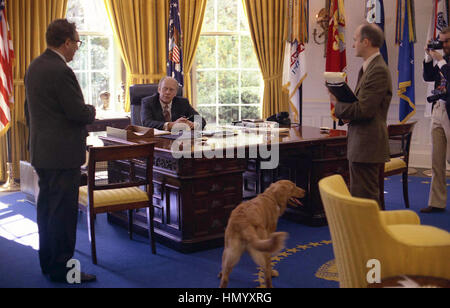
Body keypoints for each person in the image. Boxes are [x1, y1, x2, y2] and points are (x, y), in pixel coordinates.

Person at [25, 19, 97, 283]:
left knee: (47, 212)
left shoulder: (35, 66)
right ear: (66, 42)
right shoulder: (60, 70)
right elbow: (77, 112)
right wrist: (92, 110)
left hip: (43, 152)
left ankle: (49, 264)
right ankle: (66, 271)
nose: (77, 48)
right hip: (62, 156)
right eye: (76, 42)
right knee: (63, 216)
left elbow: (29, 112)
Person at [329, 23, 392, 206]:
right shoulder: (368, 67)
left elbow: (364, 110)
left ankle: (372, 234)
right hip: (362, 143)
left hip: (368, 144)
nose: (353, 44)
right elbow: (362, 106)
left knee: (366, 199)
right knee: (360, 197)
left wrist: (337, 104)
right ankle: (367, 233)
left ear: (366, 41)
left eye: (356, 40)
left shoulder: (378, 69)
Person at [421, 27, 450, 213]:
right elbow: (428, 77)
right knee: (436, 160)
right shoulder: (441, 60)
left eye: (447, 41)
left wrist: (441, 61)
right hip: (438, 108)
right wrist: (429, 57)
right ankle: (437, 202)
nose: (444, 45)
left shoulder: (444, 62)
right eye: (441, 41)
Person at [140, 76, 206, 131]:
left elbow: (201, 120)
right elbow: (147, 123)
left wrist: (193, 124)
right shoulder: (148, 102)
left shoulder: (183, 103)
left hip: (178, 140)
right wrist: (171, 125)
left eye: (171, 90)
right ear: (159, 89)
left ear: (175, 93)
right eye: (165, 89)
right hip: (156, 140)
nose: (167, 92)